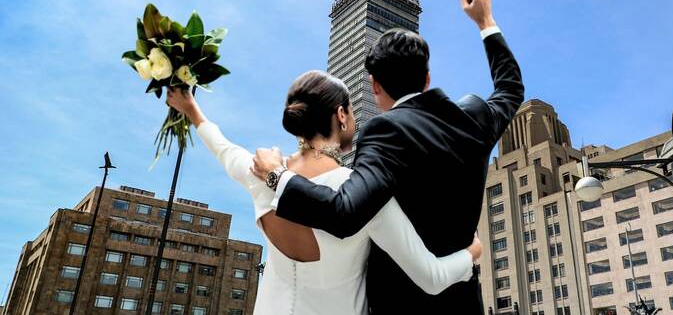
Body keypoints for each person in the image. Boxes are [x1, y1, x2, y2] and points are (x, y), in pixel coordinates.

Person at [252, 0, 524, 314]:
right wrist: (485, 21)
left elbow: (344, 213)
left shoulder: (384, 133)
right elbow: (510, 88)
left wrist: (277, 176)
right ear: (427, 77)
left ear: (375, 86)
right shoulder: (475, 117)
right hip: (463, 303)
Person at [166, 70, 481, 315]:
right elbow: (431, 277)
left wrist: (191, 109)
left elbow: (223, 149)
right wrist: (471, 254)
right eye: (353, 113)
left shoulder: (262, 172)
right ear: (342, 115)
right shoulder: (362, 193)